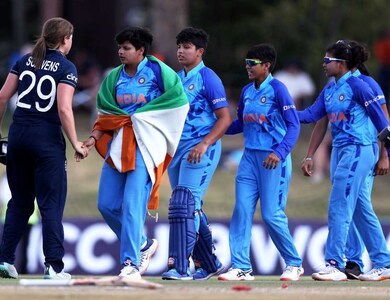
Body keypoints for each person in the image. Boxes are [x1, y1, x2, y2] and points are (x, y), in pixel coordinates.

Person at [83, 27, 189, 279]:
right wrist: (92, 139)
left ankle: (130, 263)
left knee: (132, 205)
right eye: (119, 47)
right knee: (106, 204)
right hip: (119, 146)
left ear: (141, 51)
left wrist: (146, 120)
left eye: (127, 48)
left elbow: (177, 102)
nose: (121, 52)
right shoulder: (113, 77)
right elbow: (107, 114)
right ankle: (143, 243)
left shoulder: (158, 72)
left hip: (147, 145)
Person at [0, 17, 87, 280]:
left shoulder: (24, 61)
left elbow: (1, 97)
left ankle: (5, 259)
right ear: (65, 39)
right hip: (46, 141)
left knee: (19, 202)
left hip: (18, 137)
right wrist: (76, 142)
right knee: (50, 204)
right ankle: (54, 266)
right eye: (71, 37)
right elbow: (64, 108)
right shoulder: (66, 67)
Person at [298, 40, 390, 281]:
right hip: (339, 149)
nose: (324, 64)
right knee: (360, 209)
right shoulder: (330, 88)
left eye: (328, 60)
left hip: (359, 148)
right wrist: (282, 109)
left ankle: (335, 264)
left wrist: (385, 154)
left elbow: (383, 122)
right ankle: (384, 262)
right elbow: (311, 115)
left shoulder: (361, 85)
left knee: (339, 204)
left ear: (343, 63)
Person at [218, 44, 304, 281]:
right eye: (246, 62)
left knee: (271, 214)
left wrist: (280, 152)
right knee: (242, 210)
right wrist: (216, 128)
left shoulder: (278, 89)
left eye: (252, 63)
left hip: (272, 159)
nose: (247, 67)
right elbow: (240, 123)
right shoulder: (247, 91)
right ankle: (241, 266)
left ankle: (294, 263)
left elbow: (293, 125)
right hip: (249, 158)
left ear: (266, 66)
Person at [160, 27, 230, 281]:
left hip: (201, 150)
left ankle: (179, 267)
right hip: (177, 151)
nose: (181, 51)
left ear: (200, 52)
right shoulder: (176, 78)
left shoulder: (209, 78)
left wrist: (204, 144)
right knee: (191, 207)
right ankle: (211, 263)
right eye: (179, 46)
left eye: (187, 47)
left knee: (183, 205)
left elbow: (224, 119)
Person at [0, 172, 40, 274]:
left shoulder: (9, 175)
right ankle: (21, 270)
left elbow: (2, 195)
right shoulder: (36, 174)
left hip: (14, 217)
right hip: (27, 217)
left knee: (11, 245)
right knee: (24, 247)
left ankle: (9, 266)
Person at [374, 28, 390, 99]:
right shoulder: (384, 44)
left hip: (383, 68)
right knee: (384, 90)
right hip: (386, 68)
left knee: (383, 90)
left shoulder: (378, 45)